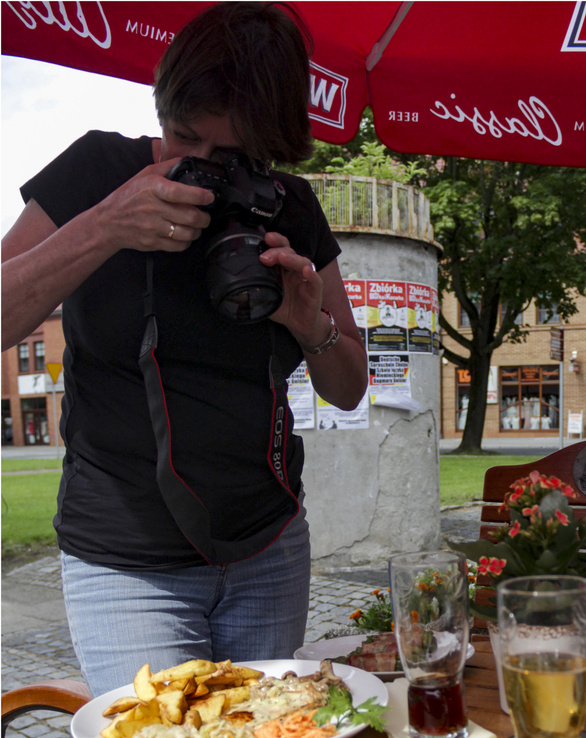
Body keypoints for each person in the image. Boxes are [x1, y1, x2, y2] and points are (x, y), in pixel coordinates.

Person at [1, 3, 368, 697]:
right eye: (182, 138)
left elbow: (347, 387)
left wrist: (307, 322)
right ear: (160, 107)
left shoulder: (287, 205)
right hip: (126, 563)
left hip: (268, 546)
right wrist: (106, 225)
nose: (199, 171)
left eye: (232, 158)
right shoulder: (98, 168)